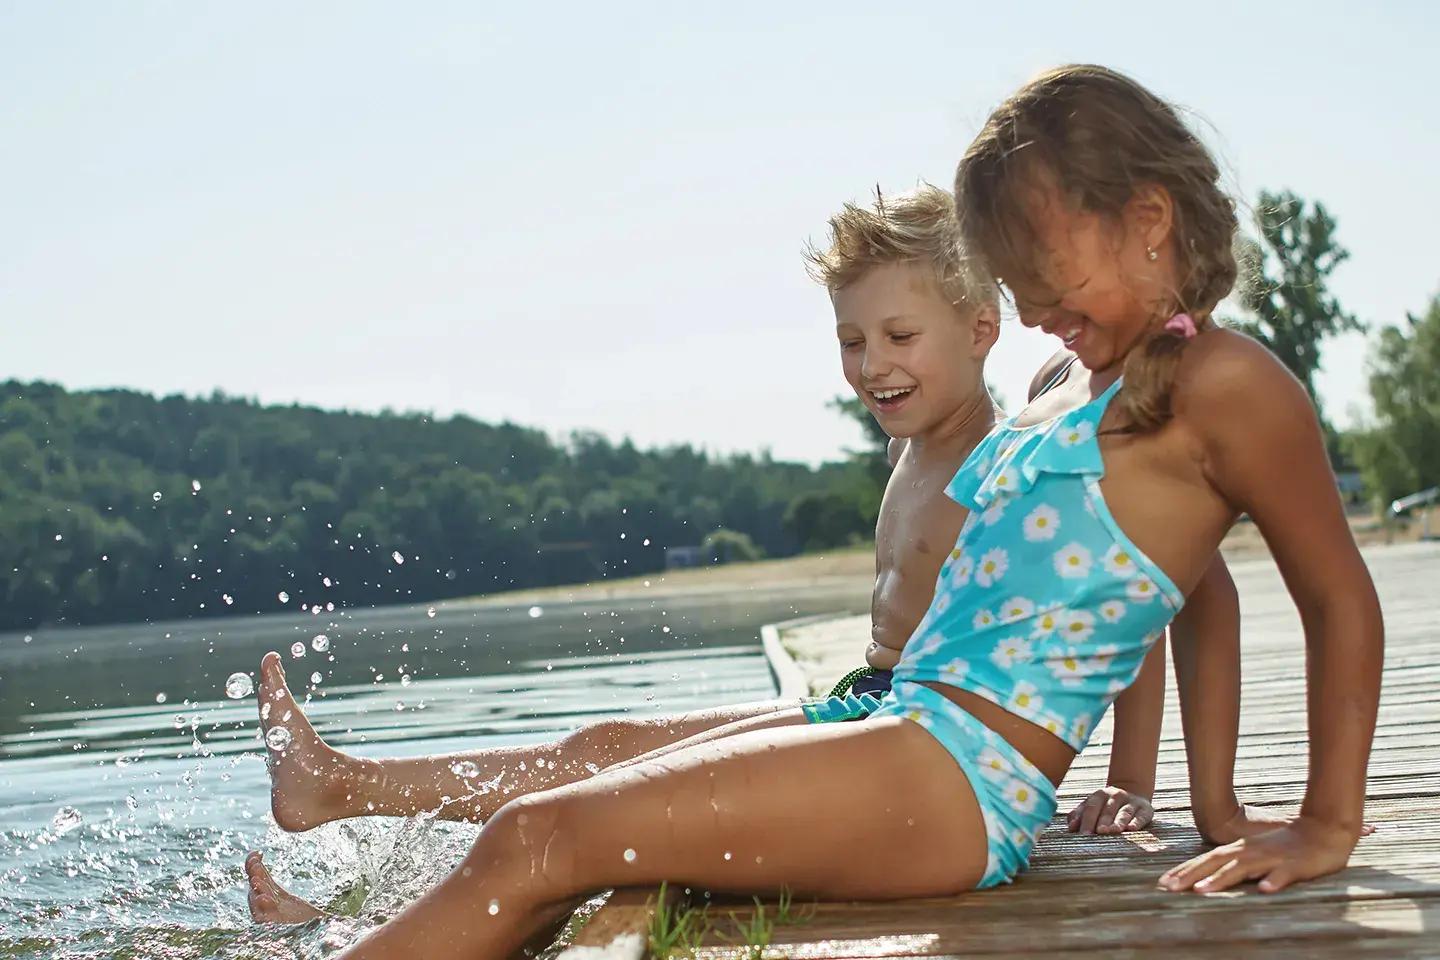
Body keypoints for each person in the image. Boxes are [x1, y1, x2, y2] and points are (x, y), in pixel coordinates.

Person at [244, 185, 1172, 925]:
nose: (870, 364)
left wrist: (1130, 777)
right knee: (599, 753)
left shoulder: (991, 462)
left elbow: (1127, 597)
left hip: (902, 737)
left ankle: (350, 834)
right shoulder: (916, 437)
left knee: (602, 815)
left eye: (898, 337)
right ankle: (345, 817)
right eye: (851, 340)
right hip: (859, 697)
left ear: (981, 331)